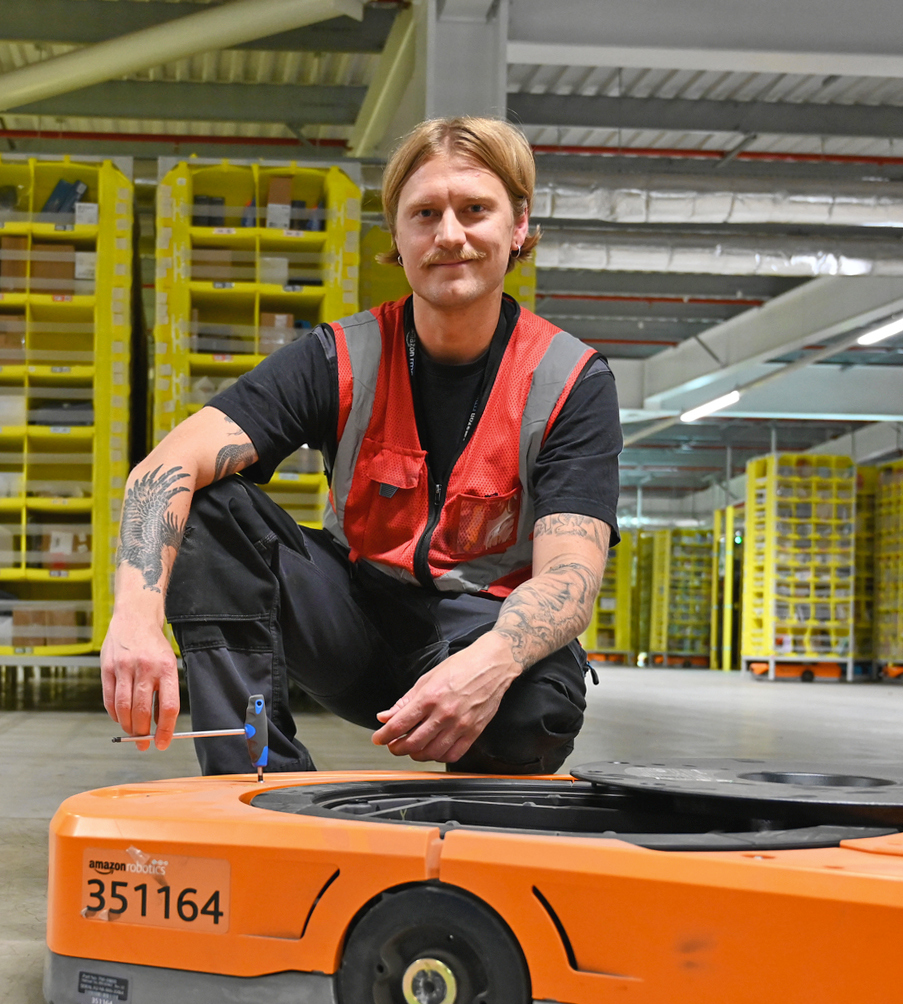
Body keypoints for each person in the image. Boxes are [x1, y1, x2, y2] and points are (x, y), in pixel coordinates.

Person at [101, 116, 622, 775]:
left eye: (475, 210)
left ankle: (471, 832)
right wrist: (136, 617)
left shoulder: (569, 379)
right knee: (212, 508)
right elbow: (167, 464)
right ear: (397, 236)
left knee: (537, 708)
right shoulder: (342, 356)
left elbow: (571, 579)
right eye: (425, 213)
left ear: (518, 226)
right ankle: (255, 778)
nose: (450, 234)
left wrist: (488, 666)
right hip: (353, 625)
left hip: (478, 633)